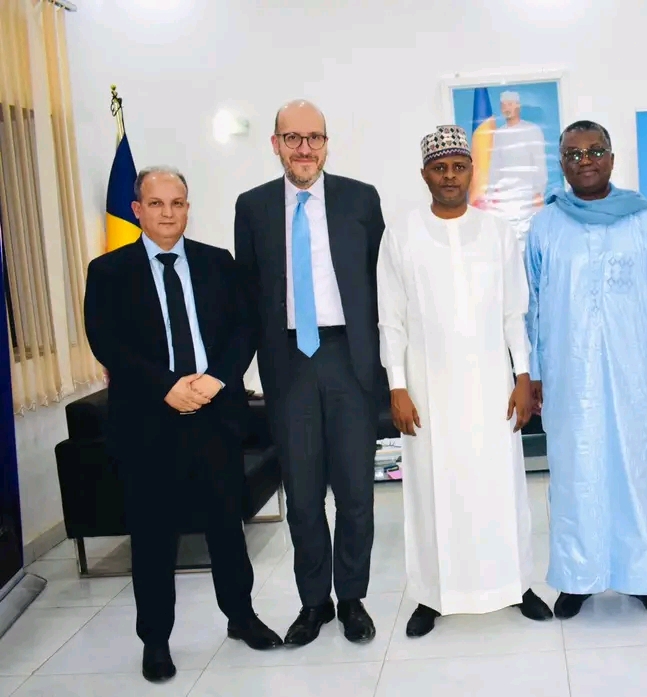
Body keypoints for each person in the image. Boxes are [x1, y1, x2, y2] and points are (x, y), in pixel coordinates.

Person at [84, 167, 282, 683]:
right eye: (156, 204)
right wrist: (165, 386)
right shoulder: (108, 272)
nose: (168, 213)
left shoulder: (218, 263)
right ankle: (155, 641)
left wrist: (216, 379)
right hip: (148, 422)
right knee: (153, 536)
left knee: (226, 526)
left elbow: (245, 328)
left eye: (177, 203)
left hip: (216, 417)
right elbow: (106, 341)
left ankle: (241, 617)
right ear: (137, 210)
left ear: (188, 207)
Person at [376, 125, 553, 637]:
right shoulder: (401, 234)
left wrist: (523, 375)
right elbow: (392, 319)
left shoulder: (496, 232)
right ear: (424, 174)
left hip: (492, 385)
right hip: (428, 389)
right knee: (433, 491)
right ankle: (433, 594)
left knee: (501, 488)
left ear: (471, 171)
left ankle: (516, 585)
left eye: (458, 166)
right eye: (440, 168)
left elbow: (515, 311)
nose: (450, 176)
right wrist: (397, 384)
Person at [526, 120, 647, 620]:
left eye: (595, 151)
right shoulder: (546, 224)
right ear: (562, 163)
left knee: (635, 471)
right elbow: (531, 305)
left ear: (611, 158)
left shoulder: (643, 220)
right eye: (574, 154)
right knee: (575, 475)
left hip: (633, 371)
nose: (586, 161)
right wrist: (533, 373)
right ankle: (577, 578)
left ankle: (639, 576)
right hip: (567, 376)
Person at [234, 100, 384, 646]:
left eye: (314, 137)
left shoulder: (361, 199)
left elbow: (382, 283)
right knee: (301, 495)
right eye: (293, 138)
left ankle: (352, 599)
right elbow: (248, 293)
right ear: (275, 144)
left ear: (326, 143)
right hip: (288, 362)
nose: (305, 148)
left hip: (349, 358)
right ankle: (314, 602)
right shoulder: (252, 207)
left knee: (356, 493)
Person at [487, 91, 549, 233]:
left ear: (518, 106)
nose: (506, 108)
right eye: (503, 105)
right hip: (505, 198)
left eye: (510, 104)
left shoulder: (532, 130)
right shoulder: (499, 134)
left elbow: (539, 164)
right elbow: (495, 166)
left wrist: (538, 193)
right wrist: (491, 193)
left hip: (528, 196)